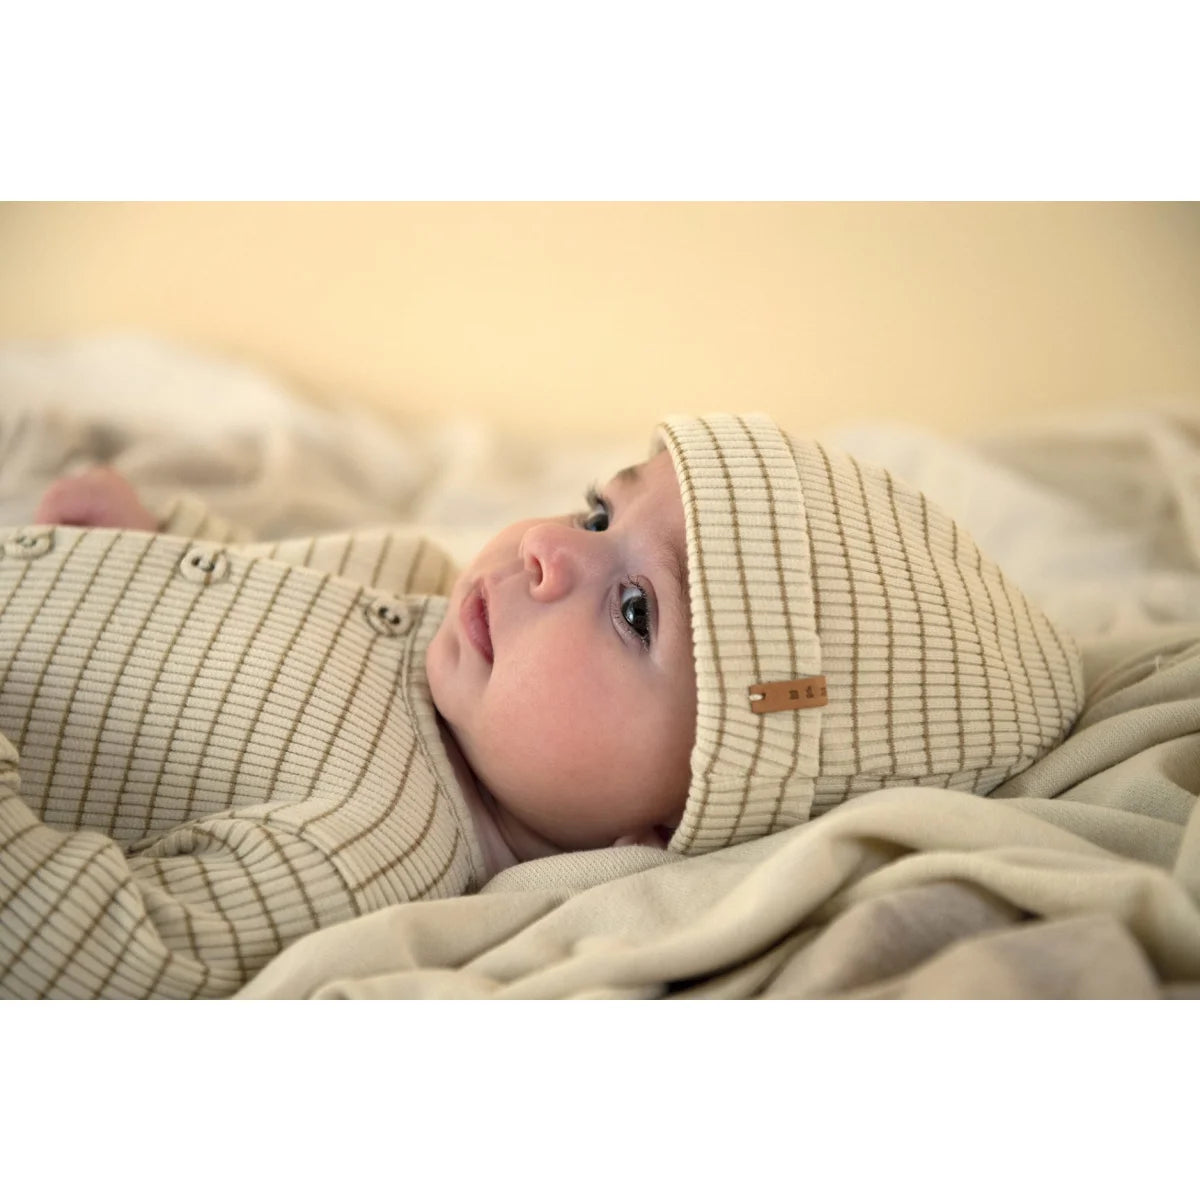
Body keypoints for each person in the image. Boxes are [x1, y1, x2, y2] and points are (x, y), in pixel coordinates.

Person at [0, 413, 1083, 998]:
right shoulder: (422, 589)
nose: (548, 548)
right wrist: (153, 536)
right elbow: (246, 599)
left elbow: (94, 954)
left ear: (672, 824)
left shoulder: (374, 842)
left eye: (633, 613)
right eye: (598, 510)